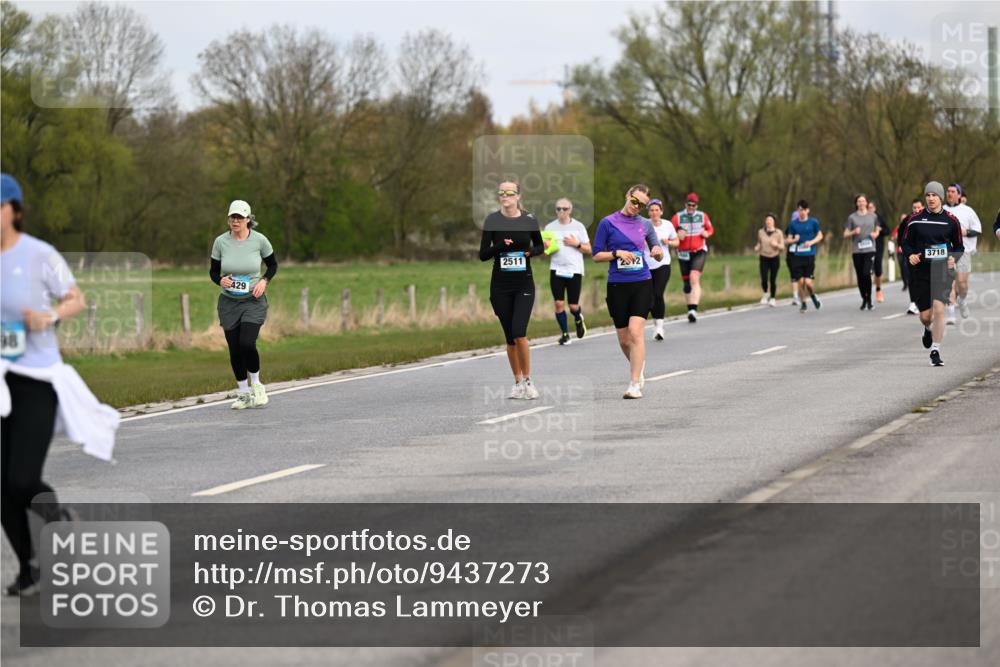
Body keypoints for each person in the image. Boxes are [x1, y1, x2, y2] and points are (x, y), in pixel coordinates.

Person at [1, 173, 119, 596]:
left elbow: (75, 298)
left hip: (36, 380)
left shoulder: (41, 255)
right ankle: (30, 568)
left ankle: (60, 521)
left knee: (20, 479)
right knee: (2, 491)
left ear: (15, 210)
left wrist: (49, 316)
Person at [592, 184, 664, 398]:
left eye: (641, 205)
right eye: (634, 201)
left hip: (642, 282)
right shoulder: (607, 223)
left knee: (635, 332)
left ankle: (634, 384)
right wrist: (616, 253)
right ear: (627, 196)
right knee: (624, 340)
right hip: (617, 285)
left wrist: (658, 252)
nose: (636, 207)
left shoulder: (645, 225)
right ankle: (638, 365)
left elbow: (656, 251)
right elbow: (596, 255)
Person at [211, 200, 277, 409]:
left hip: (253, 300)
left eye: (239, 217)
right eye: (232, 217)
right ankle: (243, 393)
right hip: (228, 302)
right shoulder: (220, 242)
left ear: (249, 219)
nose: (235, 221)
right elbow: (213, 271)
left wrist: (264, 281)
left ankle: (257, 385)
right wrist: (220, 280)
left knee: (247, 344)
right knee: (234, 349)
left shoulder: (259, 241)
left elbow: (273, 265)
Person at [480, 181, 544, 399]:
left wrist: (529, 253)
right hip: (500, 286)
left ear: (518, 196)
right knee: (509, 338)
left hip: (523, 284)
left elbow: (540, 246)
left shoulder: (529, 220)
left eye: (509, 193)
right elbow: (483, 254)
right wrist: (501, 246)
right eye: (501, 193)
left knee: (519, 332)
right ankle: (517, 383)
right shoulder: (492, 220)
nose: (504, 196)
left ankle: (528, 380)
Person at [900, 181, 963, 366]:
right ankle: (927, 328)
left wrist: (954, 258)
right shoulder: (915, 219)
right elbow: (905, 243)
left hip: (942, 269)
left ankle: (935, 350)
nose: (931, 198)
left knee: (939, 308)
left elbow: (959, 246)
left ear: (940, 197)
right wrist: (910, 255)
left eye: (934, 195)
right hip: (920, 271)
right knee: (926, 316)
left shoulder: (951, 221)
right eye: (928, 195)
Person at [544, 198, 591, 345]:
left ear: (570, 210)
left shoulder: (578, 227)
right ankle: (565, 334)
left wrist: (575, 243)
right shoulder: (549, 227)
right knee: (558, 303)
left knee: (572, 306)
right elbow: (546, 250)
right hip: (556, 268)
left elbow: (589, 249)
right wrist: (546, 247)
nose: (561, 212)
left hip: (574, 269)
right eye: (558, 209)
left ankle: (578, 318)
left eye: (564, 209)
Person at [670, 192, 714, 322]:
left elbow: (711, 229)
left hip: (699, 251)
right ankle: (690, 309)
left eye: (694, 206)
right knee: (686, 283)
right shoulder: (677, 217)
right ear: (685, 204)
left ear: (697, 206)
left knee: (694, 277)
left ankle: (694, 309)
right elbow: (671, 233)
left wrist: (706, 233)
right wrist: (678, 236)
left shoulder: (702, 216)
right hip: (683, 252)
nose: (691, 208)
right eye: (689, 205)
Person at [943, 183, 982, 323]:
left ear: (959, 195)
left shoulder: (968, 211)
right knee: (949, 283)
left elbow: (978, 229)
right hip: (946, 251)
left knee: (962, 283)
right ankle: (951, 314)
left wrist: (966, 232)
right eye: (948, 191)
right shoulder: (941, 210)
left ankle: (962, 299)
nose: (950, 193)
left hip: (963, 251)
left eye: (953, 191)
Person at [646, 198, 679, 339]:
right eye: (651, 210)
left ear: (661, 211)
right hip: (646, 265)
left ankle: (659, 328)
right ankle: (655, 324)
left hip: (663, 264)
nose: (654, 213)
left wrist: (669, 242)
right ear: (648, 212)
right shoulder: (644, 225)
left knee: (658, 293)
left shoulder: (668, 225)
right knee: (649, 296)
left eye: (656, 210)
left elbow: (677, 241)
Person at [786, 200, 824, 313]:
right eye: (800, 210)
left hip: (809, 255)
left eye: (804, 210)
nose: (802, 212)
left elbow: (820, 235)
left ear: (808, 210)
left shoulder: (813, 222)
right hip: (797, 256)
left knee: (808, 283)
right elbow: (788, 240)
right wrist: (794, 240)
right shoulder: (793, 224)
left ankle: (813, 296)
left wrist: (811, 242)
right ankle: (803, 303)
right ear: (798, 210)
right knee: (801, 281)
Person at [846, 194, 879, 310]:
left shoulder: (873, 216)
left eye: (863, 201)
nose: (861, 203)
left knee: (866, 273)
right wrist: (853, 232)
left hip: (870, 249)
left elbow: (877, 229)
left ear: (866, 203)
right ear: (856, 203)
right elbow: (845, 234)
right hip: (857, 250)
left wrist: (875, 234)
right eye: (859, 201)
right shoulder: (852, 217)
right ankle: (864, 298)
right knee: (860, 276)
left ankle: (869, 299)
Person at [754, 213, 784, 306]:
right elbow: (759, 243)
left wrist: (777, 245)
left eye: (770, 220)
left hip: (774, 257)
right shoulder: (760, 232)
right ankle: (766, 293)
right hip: (763, 257)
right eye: (767, 220)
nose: (768, 222)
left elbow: (782, 247)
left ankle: (773, 298)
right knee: (764, 278)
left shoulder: (778, 233)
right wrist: (757, 247)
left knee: (772, 279)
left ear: (774, 222)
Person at [867, 200, 888, 303]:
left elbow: (887, 230)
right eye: (868, 207)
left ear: (874, 208)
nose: (870, 209)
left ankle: (878, 289)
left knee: (878, 270)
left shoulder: (879, 218)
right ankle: (867, 292)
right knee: (868, 270)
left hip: (878, 247)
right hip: (866, 248)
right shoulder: (864, 219)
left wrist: (880, 230)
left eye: (871, 207)